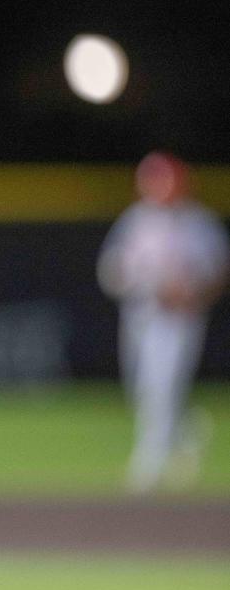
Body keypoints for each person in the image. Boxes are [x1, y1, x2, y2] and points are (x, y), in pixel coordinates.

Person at [97, 151, 228, 493]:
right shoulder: (137, 219)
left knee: (161, 387)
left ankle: (149, 467)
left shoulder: (199, 223)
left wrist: (192, 294)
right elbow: (111, 270)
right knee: (139, 387)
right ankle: (188, 431)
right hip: (141, 313)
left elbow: (218, 272)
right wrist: (138, 282)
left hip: (179, 320)